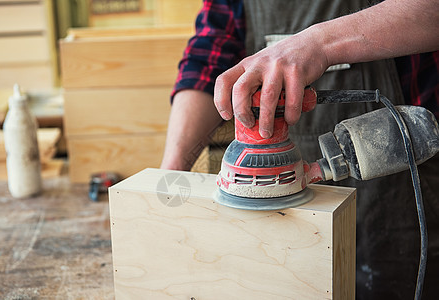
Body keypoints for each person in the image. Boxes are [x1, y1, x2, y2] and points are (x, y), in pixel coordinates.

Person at [160, 0, 439, 299]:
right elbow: (208, 59)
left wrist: (319, 43)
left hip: (407, 191)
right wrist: (169, 178)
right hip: (295, 215)